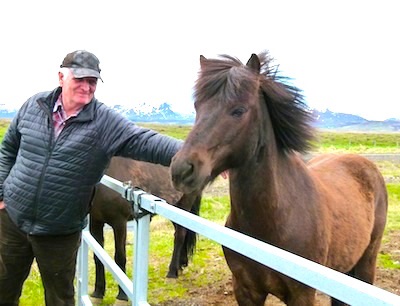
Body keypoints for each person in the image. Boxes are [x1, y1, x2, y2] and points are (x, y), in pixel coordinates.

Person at [0, 50, 182, 306]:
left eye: (93, 82)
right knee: (4, 288)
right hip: (13, 220)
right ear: (61, 77)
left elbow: (146, 141)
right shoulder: (34, 105)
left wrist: (199, 155)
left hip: (59, 230)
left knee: (60, 298)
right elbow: (8, 149)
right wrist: (1, 194)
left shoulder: (104, 121)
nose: (87, 87)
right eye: (80, 79)